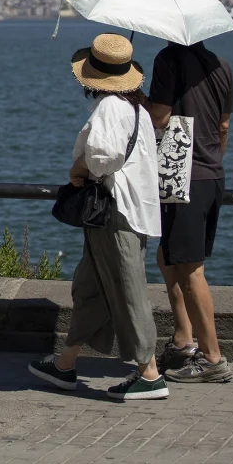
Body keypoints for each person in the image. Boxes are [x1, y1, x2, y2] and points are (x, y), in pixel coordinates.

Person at [29, 33, 167, 401]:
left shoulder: (110, 107)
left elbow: (105, 158)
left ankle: (149, 374)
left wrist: (80, 168)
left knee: (126, 290)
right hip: (132, 211)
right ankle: (65, 364)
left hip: (115, 212)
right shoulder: (137, 108)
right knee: (92, 289)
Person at [148, 39, 233, 383]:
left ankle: (212, 358)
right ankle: (184, 339)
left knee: (190, 268)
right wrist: (213, 161)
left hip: (182, 173)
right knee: (167, 256)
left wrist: (140, 102)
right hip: (212, 175)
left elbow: (162, 116)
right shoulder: (221, 64)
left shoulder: (168, 59)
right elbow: (223, 126)